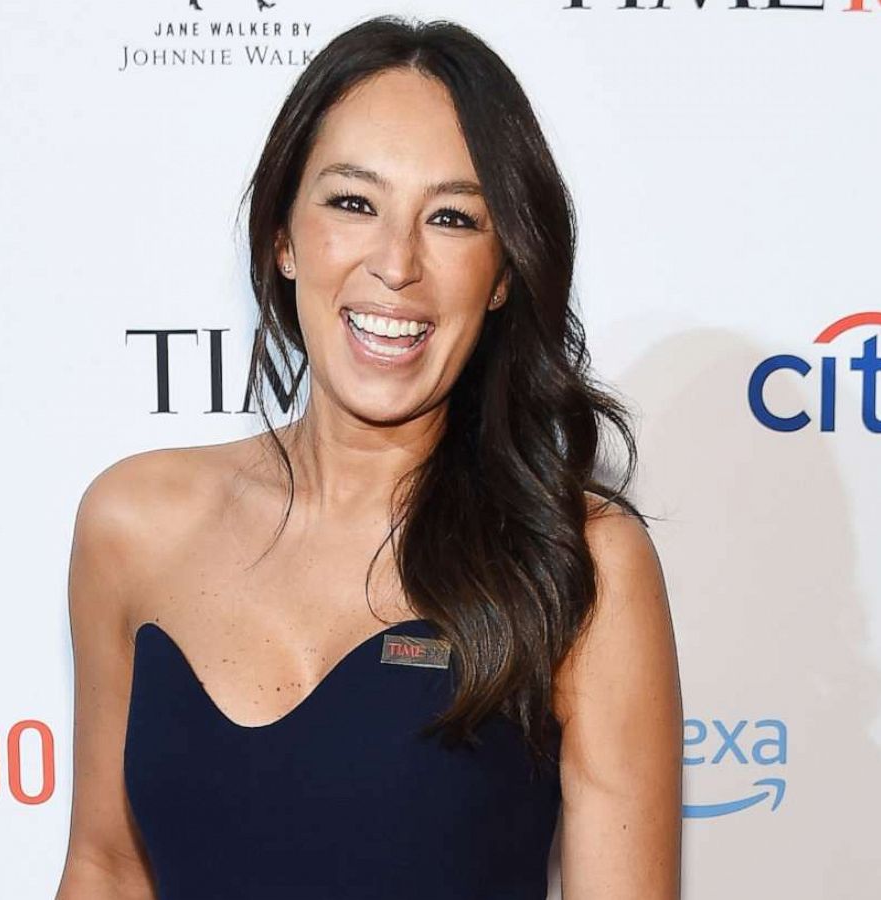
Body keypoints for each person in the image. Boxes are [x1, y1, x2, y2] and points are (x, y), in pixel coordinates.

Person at [54, 15, 681, 900]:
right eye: (353, 203)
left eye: (454, 218)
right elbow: (107, 866)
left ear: (502, 275)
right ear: (282, 237)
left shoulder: (580, 559)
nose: (397, 263)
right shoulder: (133, 522)